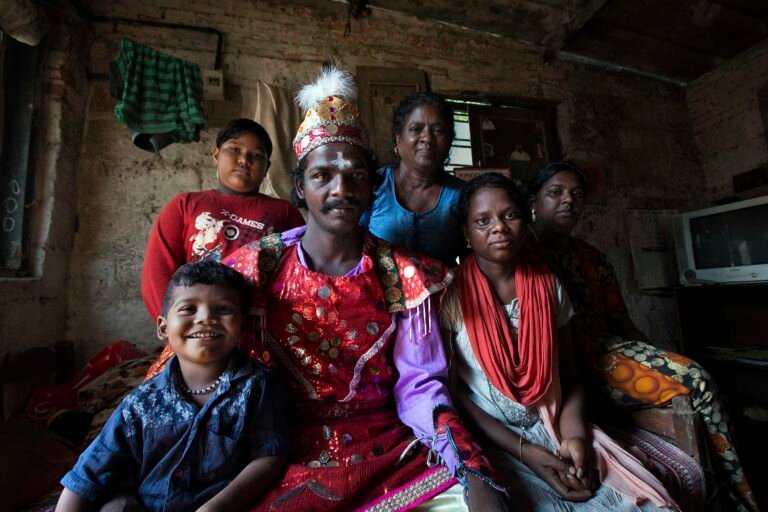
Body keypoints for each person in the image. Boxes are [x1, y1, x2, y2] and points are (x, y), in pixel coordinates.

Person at [222, 67, 507, 511]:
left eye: (355, 176)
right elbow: (204, 368)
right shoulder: (254, 268)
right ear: (299, 186)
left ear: (372, 187)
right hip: (273, 452)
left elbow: (420, 387)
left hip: (386, 453)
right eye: (322, 176)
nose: (341, 189)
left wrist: (470, 465)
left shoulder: (404, 276)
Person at [527, 161, 759, 512]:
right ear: (533, 201)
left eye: (576, 194)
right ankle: (742, 501)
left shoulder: (590, 257)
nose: (568, 201)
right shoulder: (522, 258)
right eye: (555, 193)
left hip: (609, 357)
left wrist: (658, 358)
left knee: (691, 376)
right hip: (566, 373)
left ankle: (730, 491)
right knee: (697, 380)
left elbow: (621, 321)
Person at [441, 173, 677, 511]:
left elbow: (570, 376)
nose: (499, 227)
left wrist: (575, 437)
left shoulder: (548, 288)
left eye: (510, 215)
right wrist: (524, 451)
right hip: (494, 440)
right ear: (466, 233)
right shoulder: (448, 297)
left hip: (552, 429)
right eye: (483, 221)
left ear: (525, 222)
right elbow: (455, 396)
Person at [56, 261, 287, 512]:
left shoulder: (257, 386)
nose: (205, 318)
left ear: (242, 325)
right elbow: (87, 476)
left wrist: (217, 506)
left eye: (222, 309)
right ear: (163, 328)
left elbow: (268, 456)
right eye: (188, 308)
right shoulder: (141, 403)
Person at [142, 118, 305, 377]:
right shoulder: (185, 205)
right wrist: (178, 330)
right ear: (216, 155)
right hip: (196, 331)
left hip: (260, 335)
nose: (244, 160)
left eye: (256, 155)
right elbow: (158, 274)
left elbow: (299, 277)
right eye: (234, 149)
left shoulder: (284, 212)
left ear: (267, 167)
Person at [360, 91, 466, 267]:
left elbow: (472, 259)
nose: (427, 138)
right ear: (398, 138)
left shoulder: (463, 196)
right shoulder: (373, 185)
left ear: (449, 141)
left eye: (438, 130)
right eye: (416, 129)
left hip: (445, 285)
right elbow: (352, 246)